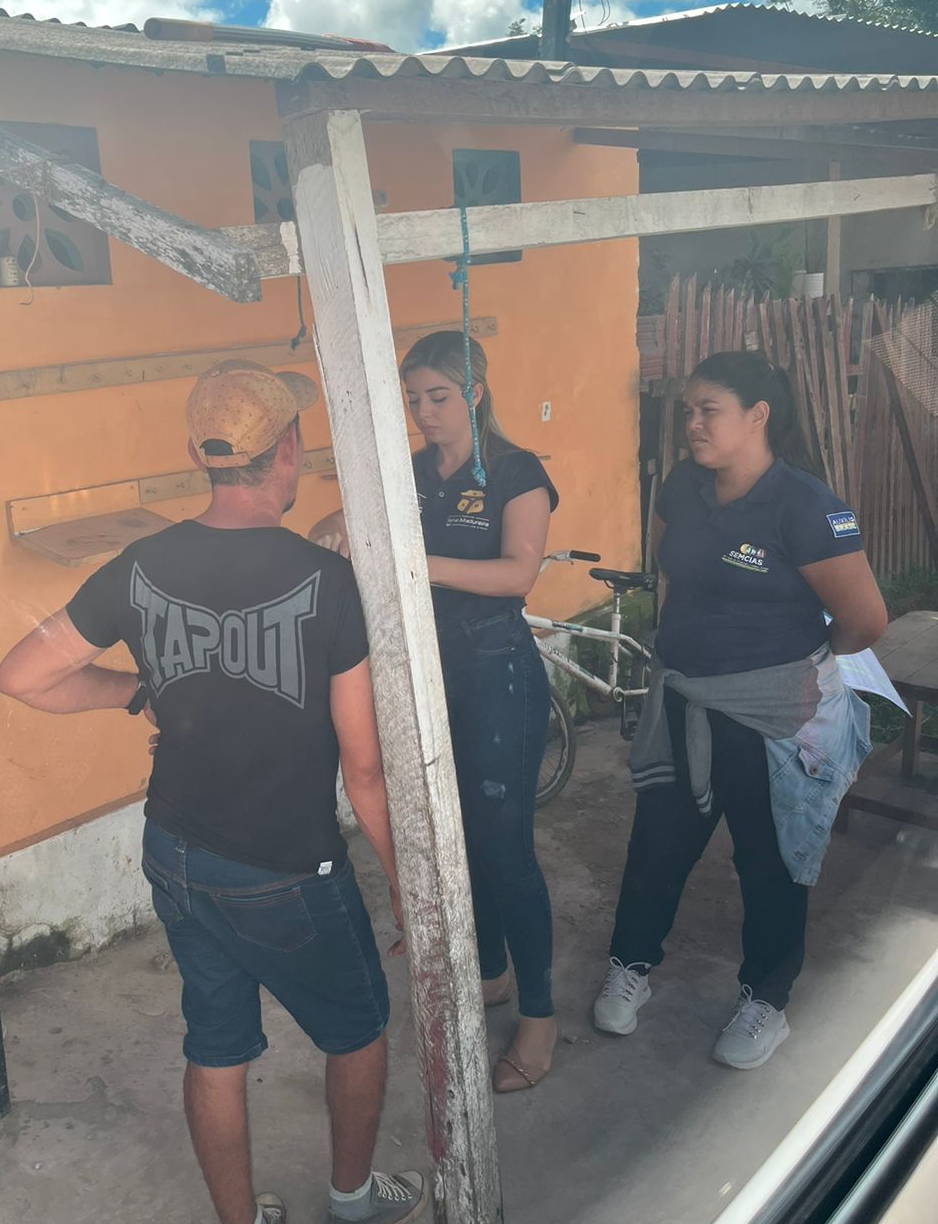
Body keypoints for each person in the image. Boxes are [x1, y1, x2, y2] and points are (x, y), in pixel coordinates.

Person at [0, 360, 427, 1224]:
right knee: (358, 1030)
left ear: (200, 455)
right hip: (289, 868)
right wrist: (408, 884)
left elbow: (20, 676)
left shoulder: (139, 566)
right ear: (288, 450)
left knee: (216, 1045)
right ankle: (352, 1206)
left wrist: (133, 691)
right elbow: (364, 770)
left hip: (177, 852)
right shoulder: (326, 581)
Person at [593, 351, 887, 1069]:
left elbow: (865, 621)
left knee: (772, 859)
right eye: (687, 411)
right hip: (686, 702)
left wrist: (783, 669)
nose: (691, 424)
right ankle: (631, 966)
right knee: (657, 845)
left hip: (772, 719)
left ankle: (766, 1000)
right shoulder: (682, 487)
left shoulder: (806, 507)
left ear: (758, 416)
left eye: (708, 410)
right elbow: (672, 573)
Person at [312, 330, 560, 1094]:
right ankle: (489, 972)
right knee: (453, 834)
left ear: (474, 393)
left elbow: (517, 575)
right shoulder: (411, 472)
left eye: (438, 397)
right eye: (413, 398)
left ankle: (541, 1015)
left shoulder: (516, 471)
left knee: (504, 846)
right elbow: (351, 522)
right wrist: (334, 527)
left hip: (497, 670)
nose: (423, 411)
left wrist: (414, 564)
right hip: (422, 670)